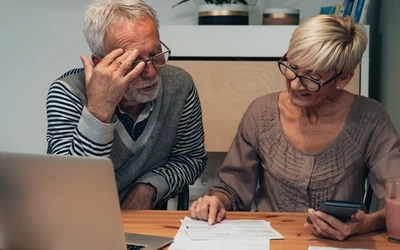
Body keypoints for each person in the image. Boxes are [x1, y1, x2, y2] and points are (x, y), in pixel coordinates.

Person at [190, 15, 400, 241]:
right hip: (270, 242)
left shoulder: (371, 118)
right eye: (293, 66)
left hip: (339, 245)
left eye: (314, 77)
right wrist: (216, 201)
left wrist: (366, 224)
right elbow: (233, 187)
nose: (296, 83)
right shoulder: (261, 113)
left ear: (344, 78)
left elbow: (397, 195)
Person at [46, 0, 207, 210]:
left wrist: (149, 187)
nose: (151, 72)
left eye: (155, 53)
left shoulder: (179, 85)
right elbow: (72, 189)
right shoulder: (67, 92)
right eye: (132, 62)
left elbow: (191, 159)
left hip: (147, 225)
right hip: (81, 220)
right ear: (99, 63)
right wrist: (99, 110)